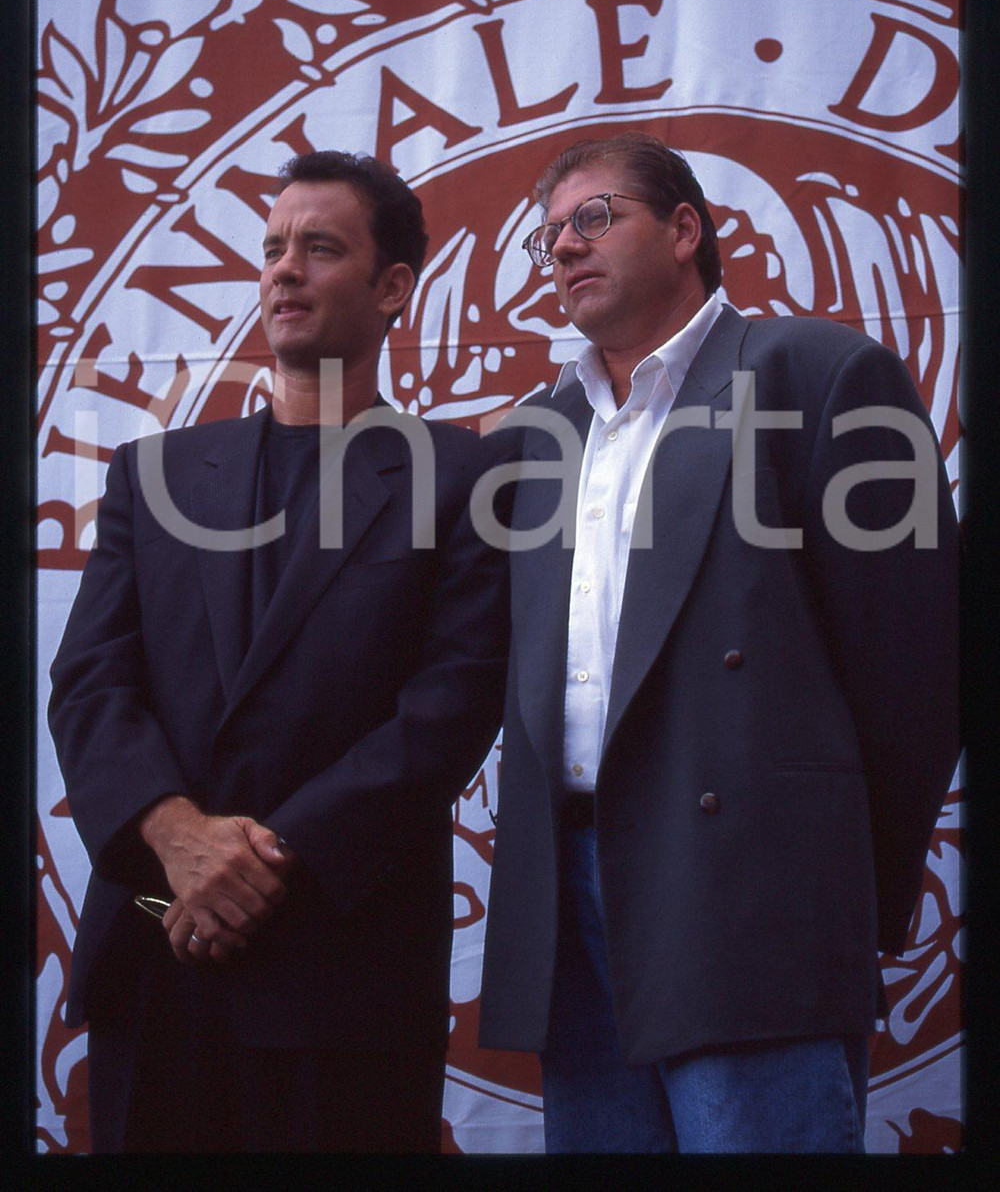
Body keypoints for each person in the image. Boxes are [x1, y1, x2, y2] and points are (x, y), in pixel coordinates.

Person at [477, 131, 960, 1153]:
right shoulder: (534, 431)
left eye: (593, 218)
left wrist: (840, 884)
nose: (563, 248)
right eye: (547, 236)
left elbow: (915, 664)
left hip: (749, 883)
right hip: (565, 891)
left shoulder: (819, 372)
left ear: (685, 228)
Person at [49, 150, 509, 1153]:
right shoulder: (154, 473)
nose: (282, 270)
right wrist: (177, 843)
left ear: (393, 287)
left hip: (342, 973)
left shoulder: (463, 473)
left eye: (319, 247)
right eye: (270, 248)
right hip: (158, 937)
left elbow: (452, 705)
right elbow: (89, 682)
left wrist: (258, 863)